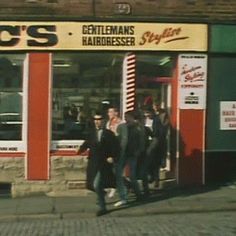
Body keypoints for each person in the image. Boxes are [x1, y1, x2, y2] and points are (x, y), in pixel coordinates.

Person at [78, 112, 119, 216]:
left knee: (97, 184)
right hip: (93, 162)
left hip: (104, 163)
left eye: (99, 119)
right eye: (95, 120)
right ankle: (102, 193)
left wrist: (113, 157)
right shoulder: (91, 133)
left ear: (103, 121)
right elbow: (87, 143)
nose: (97, 122)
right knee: (91, 185)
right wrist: (80, 150)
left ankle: (103, 207)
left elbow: (116, 147)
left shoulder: (109, 134)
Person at [114, 110, 144, 207]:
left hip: (132, 154)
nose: (125, 118)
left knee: (132, 175)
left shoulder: (138, 128)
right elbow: (117, 140)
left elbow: (142, 141)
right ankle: (124, 193)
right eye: (125, 117)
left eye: (127, 116)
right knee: (117, 173)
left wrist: (138, 151)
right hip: (122, 154)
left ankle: (138, 193)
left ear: (132, 117)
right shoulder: (121, 127)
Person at [105, 106, 123, 198]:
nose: (109, 114)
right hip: (109, 149)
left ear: (116, 113)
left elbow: (121, 136)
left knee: (117, 171)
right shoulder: (108, 123)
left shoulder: (120, 123)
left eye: (111, 112)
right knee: (111, 170)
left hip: (117, 149)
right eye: (108, 112)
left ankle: (117, 189)